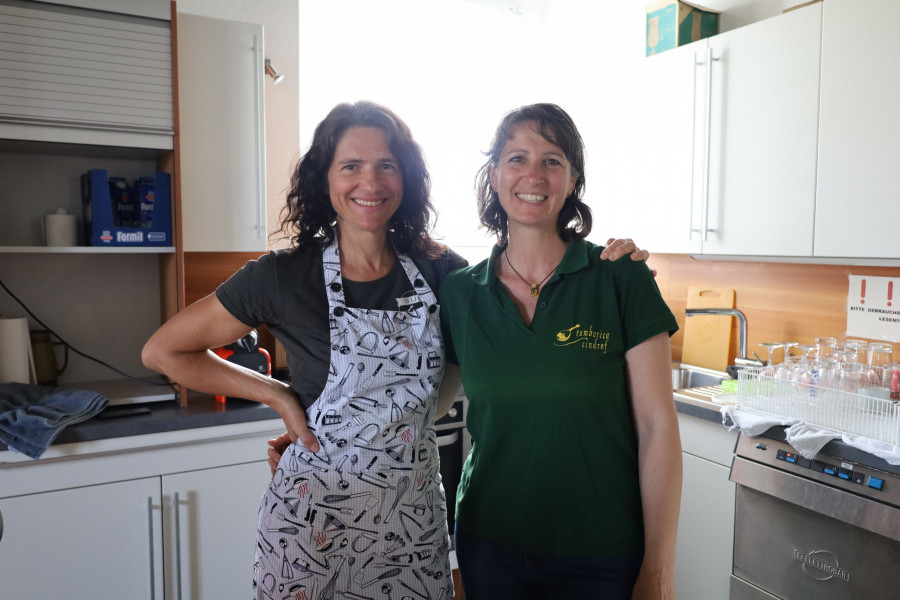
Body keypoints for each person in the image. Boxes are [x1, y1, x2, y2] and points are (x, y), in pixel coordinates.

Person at [142, 100, 649, 600]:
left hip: (411, 525)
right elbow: (164, 351)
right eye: (351, 166)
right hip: (312, 523)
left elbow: (462, 370)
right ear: (324, 178)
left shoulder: (442, 272)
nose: (371, 182)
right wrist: (279, 396)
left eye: (387, 165)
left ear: (405, 178)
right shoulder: (281, 275)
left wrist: (617, 263)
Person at [438, 104, 682, 600]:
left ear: (572, 181)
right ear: (494, 175)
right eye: (517, 158)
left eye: (552, 160)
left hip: (601, 551)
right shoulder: (460, 292)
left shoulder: (620, 276)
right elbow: (423, 404)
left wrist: (658, 570)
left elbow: (658, 428)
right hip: (490, 542)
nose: (534, 175)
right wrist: (319, 435)